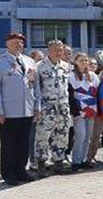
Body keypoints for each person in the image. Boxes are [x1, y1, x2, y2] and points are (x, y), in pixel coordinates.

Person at [0, 32, 39, 185]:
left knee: (24, 143)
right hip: (9, 112)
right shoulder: (2, 62)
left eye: (21, 42)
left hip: (27, 109)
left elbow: (35, 86)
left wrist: (37, 106)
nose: (19, 45)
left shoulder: (29, 61)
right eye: (15, 42)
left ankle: (21, 170)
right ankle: (8, 173)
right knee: (9, 144)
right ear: (7, 43)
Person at [34, 40, 73, 176]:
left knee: (62, 134)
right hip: (46, 106)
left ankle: (59, 161)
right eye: (55, 49)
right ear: (48, 51)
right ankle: (41, 162)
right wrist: (37, 107)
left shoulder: (66, 66)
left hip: (63, 105)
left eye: (60, 50)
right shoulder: (39, 67)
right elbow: (36, 89)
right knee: (43, 136)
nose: (58, 52)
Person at [68, 52, 99, 171]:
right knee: (80, 135)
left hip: (91, 110)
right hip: (78, 110)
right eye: (81, 60)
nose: (84, 62)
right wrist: (75, 111)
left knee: (88, 136)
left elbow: (96, 92)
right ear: (75, 62)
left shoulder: (93, 76)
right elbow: (70, 95)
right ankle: (76, 161)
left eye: (86, 60)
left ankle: (84, 159)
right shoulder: (71, 76)